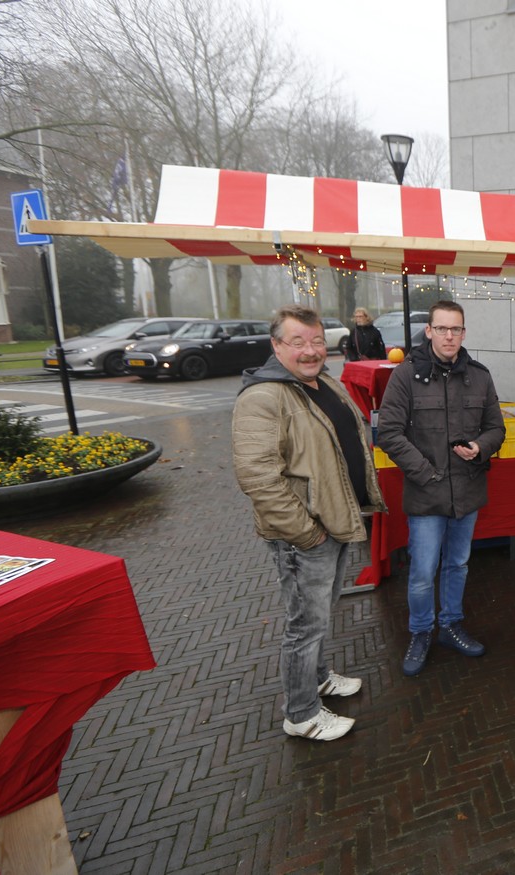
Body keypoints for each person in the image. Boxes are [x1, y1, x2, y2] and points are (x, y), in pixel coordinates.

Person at [232, 304, 386, 742]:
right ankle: (301, 713)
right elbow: (258, 478)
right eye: (297, 341)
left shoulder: (322, 384)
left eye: (317, 340)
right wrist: (306, 533)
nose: (310, 350)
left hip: (333, 523)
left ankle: (317, 679)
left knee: (318, 616)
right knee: (304, 625)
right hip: (305, 535)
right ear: (276, 345)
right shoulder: (263, 397)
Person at [377, 301, 505, 677]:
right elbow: (389, 433)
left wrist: (479, 446)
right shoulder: (406, 376)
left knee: (457, 564)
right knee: (422, 571)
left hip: (467, 491)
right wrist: (425, 472)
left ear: (464, 333)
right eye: (443, 329)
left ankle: (450, 625)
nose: (450, 336)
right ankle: (421, 632)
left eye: (456, 329)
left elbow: (496, 428)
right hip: (425, 493)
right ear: (429, 331)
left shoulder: (479, 377)